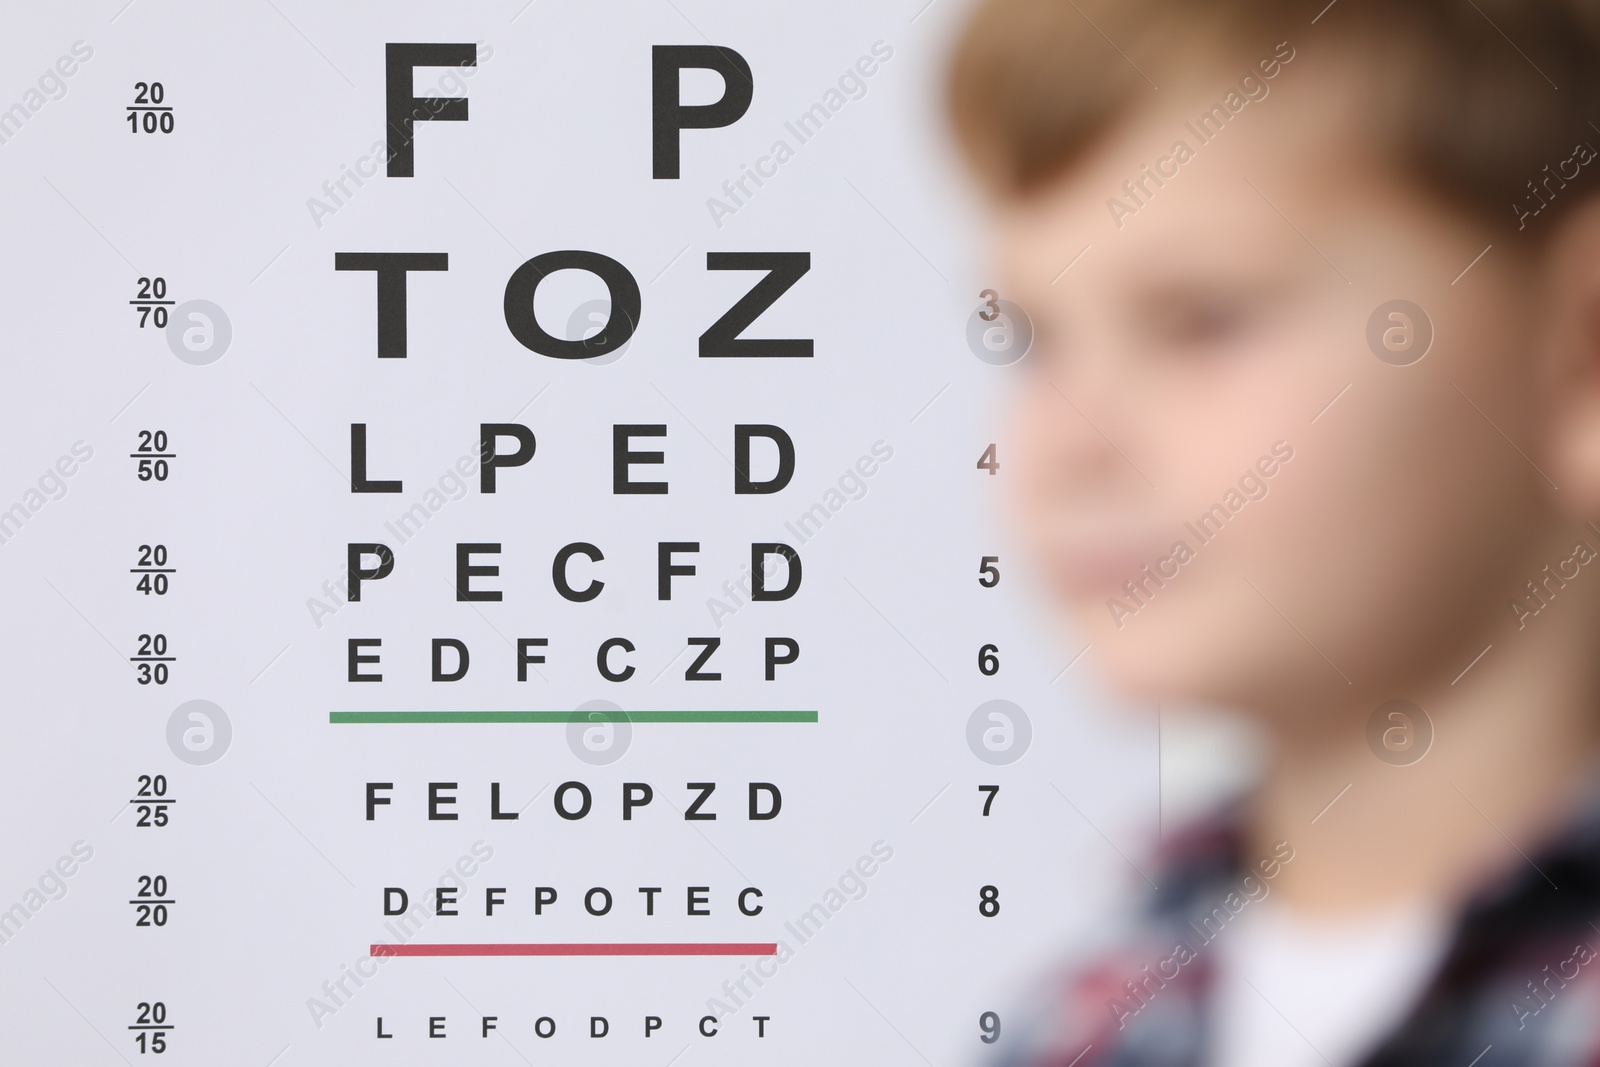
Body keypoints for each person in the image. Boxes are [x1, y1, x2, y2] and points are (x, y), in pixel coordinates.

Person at [944, 1, 1600, 1063]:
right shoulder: (1075, 1026)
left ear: (1581, 349)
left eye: (1204, 317)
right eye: (1034, 340)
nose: (1069, 442)